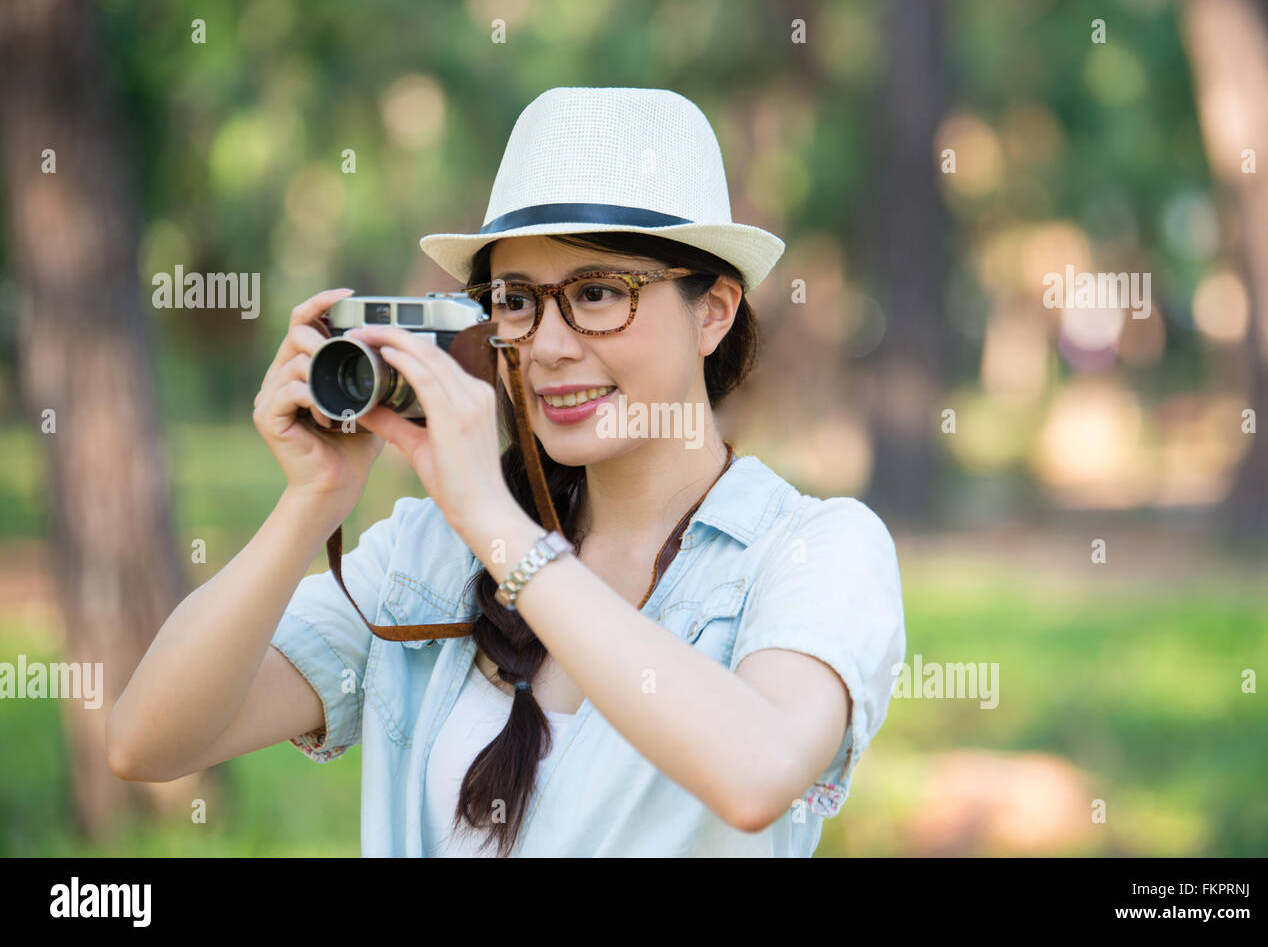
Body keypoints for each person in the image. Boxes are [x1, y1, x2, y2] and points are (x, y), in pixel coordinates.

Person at [107, 86, 906, 857]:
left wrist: (498, 527)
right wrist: (311, 500)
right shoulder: (430, 553)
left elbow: (757, 772)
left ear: (714, 311)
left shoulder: (812, 550)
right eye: (517, 300)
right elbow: (148, 740)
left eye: (598, 293)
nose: (549, 346)